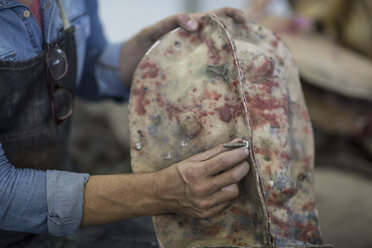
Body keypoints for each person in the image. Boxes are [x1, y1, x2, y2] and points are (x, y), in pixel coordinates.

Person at [0, 0, 250, 241]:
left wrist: (155, 49)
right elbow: (5, 194)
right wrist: (159, 192)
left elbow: (88, 69)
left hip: (61, 177)